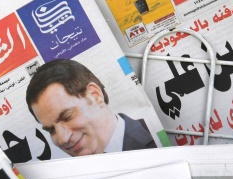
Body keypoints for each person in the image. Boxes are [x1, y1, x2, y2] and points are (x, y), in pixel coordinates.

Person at [25, 59, 156, 157]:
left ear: (95, 95)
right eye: (51, 130)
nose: (63, 138)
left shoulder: (157, 136)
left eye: (67, 117)